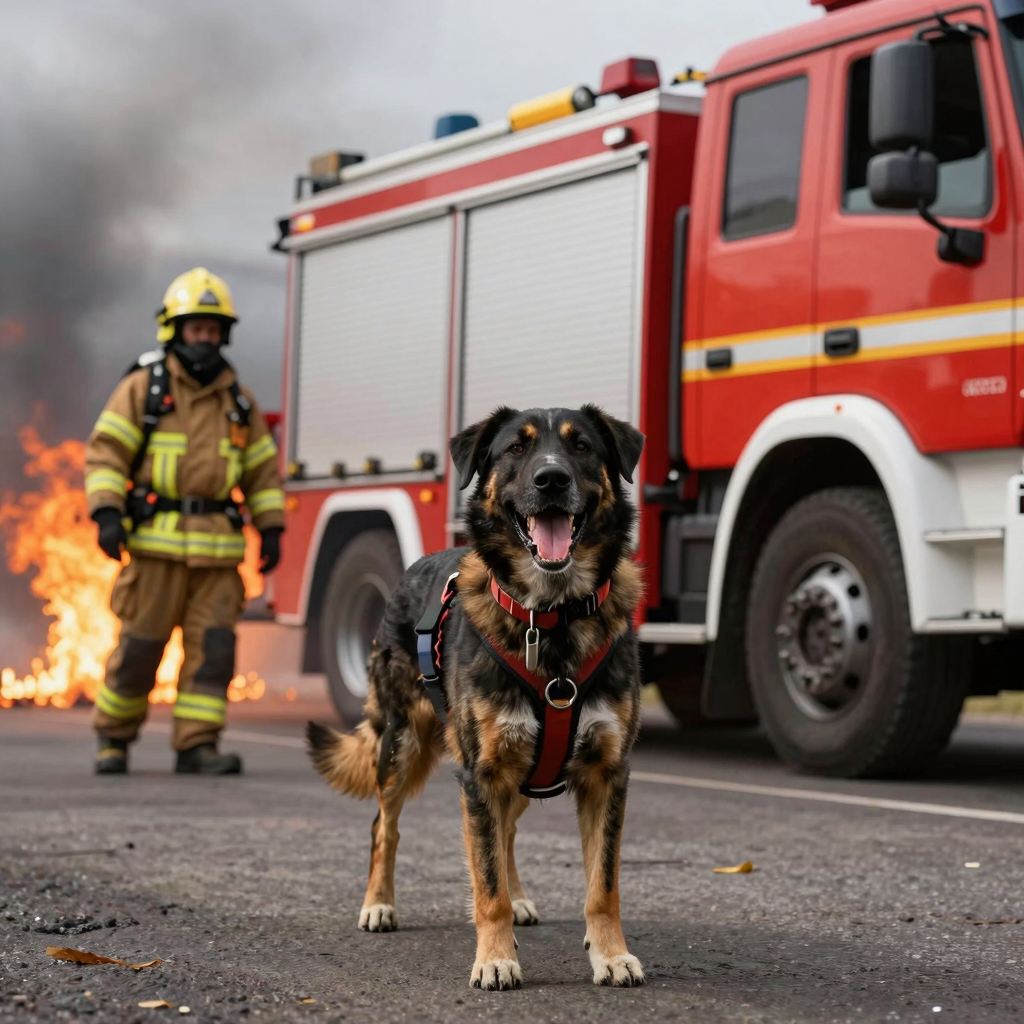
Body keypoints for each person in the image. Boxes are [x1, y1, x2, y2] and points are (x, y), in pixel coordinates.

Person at [84, 268, 285, 775]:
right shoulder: (142, 389)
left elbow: (262, 471)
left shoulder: (237, 402)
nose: (205, 340)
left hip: (218, 557)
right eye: (196, 329)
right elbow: (106, 453)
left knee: (213, 654)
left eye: (214, 330)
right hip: (154, 551)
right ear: (174, 330)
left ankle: (197, 746)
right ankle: (113, 740)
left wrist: (273, 526)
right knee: (138, 650)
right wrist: (107, 513)